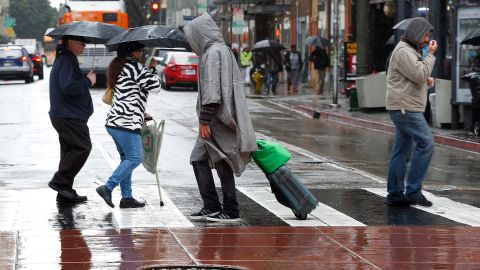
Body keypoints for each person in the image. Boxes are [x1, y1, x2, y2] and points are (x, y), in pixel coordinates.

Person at [184, 13, 257, 222]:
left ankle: (230, 209)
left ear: (200, 34)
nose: (192, 43)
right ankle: (211, 205)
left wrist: (204, 120)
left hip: (216, 119)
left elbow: (213, 90)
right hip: (215, 117)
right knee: (199, 159)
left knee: (221, 160)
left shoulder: (213, 53)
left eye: (193, 37)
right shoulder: (219, 50)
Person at [96, 41, 160, 209]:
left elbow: (130, 95)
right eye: (139, 50)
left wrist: (141, 113)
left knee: (126, 159)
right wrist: (153, 68)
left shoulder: (119, 67)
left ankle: (127, 197)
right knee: (135, 158)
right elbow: (155, 86)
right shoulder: (134, 67)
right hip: (126, 124)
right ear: (132, 52)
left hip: (115, 122)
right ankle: (108, 187)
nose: (141, 53)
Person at [385, 17, 437, 207]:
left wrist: (426, 80)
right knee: (426, 144)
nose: (427, 39)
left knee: (401, 151)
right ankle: (413, 190)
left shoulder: (408, 51)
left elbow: (416, 76)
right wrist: (430, 55)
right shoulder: (403, 51)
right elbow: (420, 73)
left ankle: (396, 194)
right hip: (406, 108)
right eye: (425, 35)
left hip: (404, 106)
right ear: (416, 33)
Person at [48, 35, 96, 204]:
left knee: (69, 151)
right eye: (81, 42)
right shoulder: (67, 60)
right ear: (70, 42)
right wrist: (88, 81)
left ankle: (65, 192)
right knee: (83, 147)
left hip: (65, 114)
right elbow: (69, 87)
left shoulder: (66, 59)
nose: (84, 45)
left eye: (85, 42)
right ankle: (60, 181)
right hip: (69, 115)